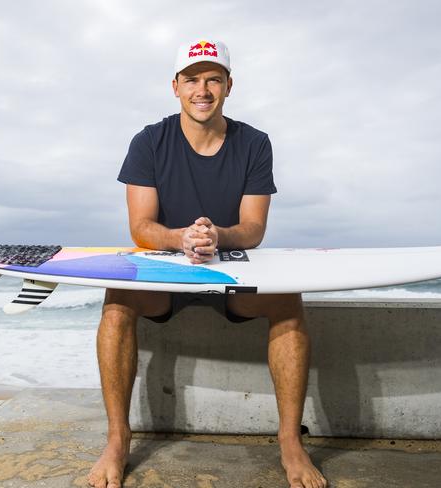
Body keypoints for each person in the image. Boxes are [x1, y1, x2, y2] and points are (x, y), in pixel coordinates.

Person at [88, 39, 327, 488]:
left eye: (214, 79)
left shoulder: (254, 143)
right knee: (117, 300)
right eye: (193, 79)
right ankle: (118, 439)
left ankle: (290, 442)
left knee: (287, 302)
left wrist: (218, 236)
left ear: (229, 86)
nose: (203, 89)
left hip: (230, 267)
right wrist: (181, 238)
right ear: (175, 86)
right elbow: (141, 225)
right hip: (168, 271)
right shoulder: (150, 141)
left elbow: (253, 228)